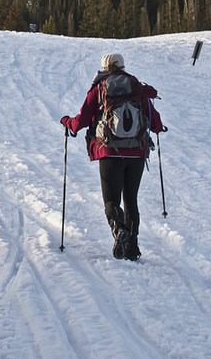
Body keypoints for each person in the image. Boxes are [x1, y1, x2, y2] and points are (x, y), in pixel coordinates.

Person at [61, 51, 164, 260]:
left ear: (103, 68)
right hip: (136, 153)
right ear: (122, 66)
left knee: (111, 200)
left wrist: (67, 122)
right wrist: (159, 128)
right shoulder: (137, 87)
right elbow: (154, 121)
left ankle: (119, 229)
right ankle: (132, 248)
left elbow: (82, 120)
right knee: (131, 200)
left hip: (109, 152)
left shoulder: (100, 88)